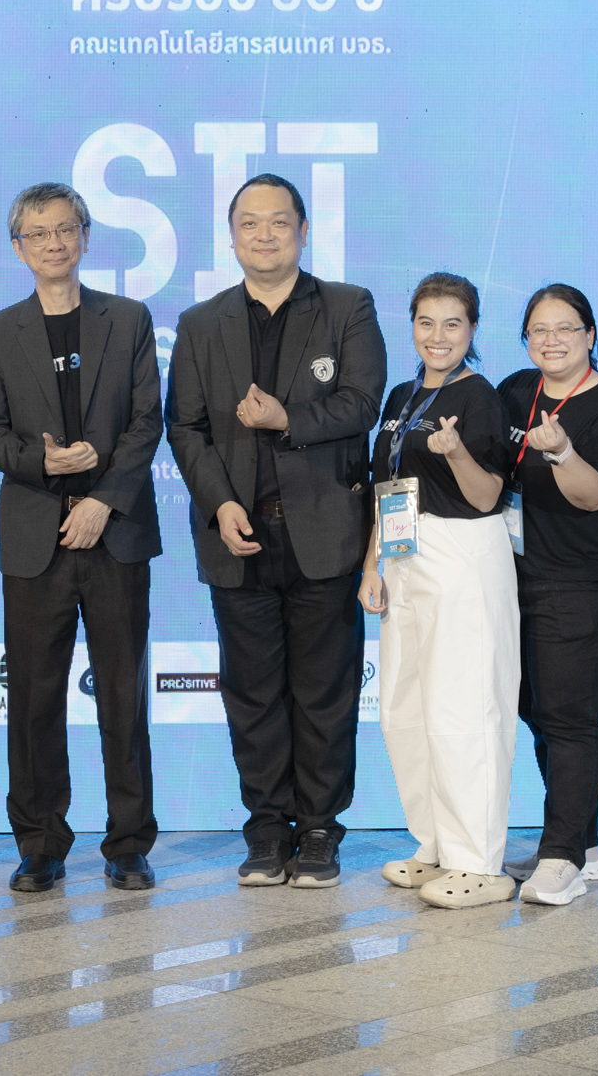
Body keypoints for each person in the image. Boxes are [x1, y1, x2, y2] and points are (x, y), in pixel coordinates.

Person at [166, 173, 386, 890]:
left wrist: (287, 418)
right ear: (231, 237)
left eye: (279, 221)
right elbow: (185, 426)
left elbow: (362, 402)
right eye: (250, 223)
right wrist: (220, 504)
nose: (265, 235)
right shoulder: (200, 323)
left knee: (325, 694)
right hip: (238, 535)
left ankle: (319, 830)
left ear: (303, 230)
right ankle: (266, 829)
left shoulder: (348, 306)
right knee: (252, 693)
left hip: (324, 532)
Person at [0, 183, 164, 894]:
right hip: (36, 536)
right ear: (18, 247)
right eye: (38, 233)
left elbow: (147, 420)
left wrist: (104, 501)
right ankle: (40, 843)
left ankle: (129, 843)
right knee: (33, 699)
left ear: (85, 235)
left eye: (65, 229)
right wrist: (41, 462)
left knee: (123, 696)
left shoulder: (129, 318)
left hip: (115, 535)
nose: (53, 243)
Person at [361, 272, 519, 910]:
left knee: (464, 710)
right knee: (405, 710)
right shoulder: (402, 395)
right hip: (404, 556)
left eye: (452, 323)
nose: (438, 336)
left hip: (462, 556)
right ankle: (434, 846)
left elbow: (487, 496)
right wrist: (372, 565)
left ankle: (478, 862)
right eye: (426, 322)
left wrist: (454, 452)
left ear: (472, 329)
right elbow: (388, 487)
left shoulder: (480, 397)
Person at [496, 285, 598, 906]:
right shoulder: (513, 391)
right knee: (534, 709)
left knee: (570, 719)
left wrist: (560, 451)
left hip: (583, 583)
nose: (551, 340)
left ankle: (561, 857)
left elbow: (596, 496)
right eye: (539, 330)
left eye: (565, 328)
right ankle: (581, 843)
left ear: (590, 335)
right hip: (514, 579)